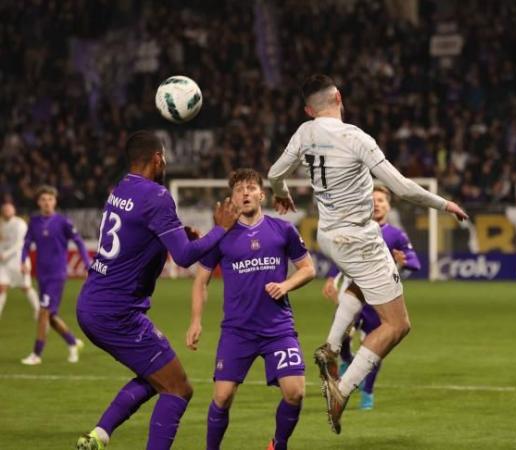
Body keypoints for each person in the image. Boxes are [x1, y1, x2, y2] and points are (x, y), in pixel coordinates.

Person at [267, 74, 468, 433]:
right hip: (358, 239)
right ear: (339, 98)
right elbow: (401, 187)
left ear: (308, 110)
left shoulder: (304, 132)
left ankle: (330, 346)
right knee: (397, 324)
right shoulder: (357, 138)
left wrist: (281, 192)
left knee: (363, 287)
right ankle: (342, 390)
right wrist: (444, 203)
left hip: (327, 235)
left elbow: (274, 172)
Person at [75, 131, 238, 450]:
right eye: (164, 156)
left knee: (156, 374)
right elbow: (185, 257)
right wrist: (221, 229)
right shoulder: (157, 195)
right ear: (158, 158)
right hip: (117, 312)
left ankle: (100, 435)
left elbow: (143, 238)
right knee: (178, 388)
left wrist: (176, 235)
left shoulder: (121, 188)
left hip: (95, 301)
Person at [187, 169, 315, 450]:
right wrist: (195, 321)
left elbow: (308, 269)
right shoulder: (221, 236)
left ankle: (278, 445)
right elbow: (201, 280)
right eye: (238, 189)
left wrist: (286, 285)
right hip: (238, 330)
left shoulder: (283, 230)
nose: (245, 193)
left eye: (250, 188)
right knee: (221, 397)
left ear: (262, 194)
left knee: (295, 392)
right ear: (231, 199)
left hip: (277, 328)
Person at [322, 186, 421, 411]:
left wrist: (403, 260)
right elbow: (340, 256)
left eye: (381, 200)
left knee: (375, 345)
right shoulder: (357, 230)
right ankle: (346, 359)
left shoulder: (396, 235)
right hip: (354, 293)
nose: (376, 204)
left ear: (388, 206)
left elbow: (415, 263)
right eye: (372, 199)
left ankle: (367, 392)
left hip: (380, 303)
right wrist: (331, 278)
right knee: (343, 336)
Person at [20, 186, 90, 365]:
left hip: (57, 274)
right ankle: (72, 342)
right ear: (38, 202)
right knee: (50, 316)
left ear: (55, 201)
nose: (47, 203)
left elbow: (79, 242)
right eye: (43, 199)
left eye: (50, 199)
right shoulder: (34, 222)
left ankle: (36, 354)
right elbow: (26, 244)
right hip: (41, 274)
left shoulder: (63, 222)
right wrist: (22, 260)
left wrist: (87, 263)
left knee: (43, 312)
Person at [0, 201, 40, 319]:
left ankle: (38, 309)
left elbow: (20, 243)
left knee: (25, 287)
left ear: (14, 211)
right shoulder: (1, 224)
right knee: (1, 287)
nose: (7, 211)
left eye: (9, 209)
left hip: (19, 260)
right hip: (4, 263)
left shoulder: (20, 224)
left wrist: (5, 254)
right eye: (5, 209)